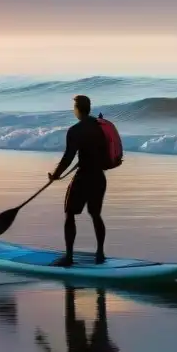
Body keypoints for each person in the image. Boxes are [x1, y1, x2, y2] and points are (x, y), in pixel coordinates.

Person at [48, 94, 110, 266]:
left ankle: (68, 257)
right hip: (99, 177)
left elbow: (68, 157)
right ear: (89, 108)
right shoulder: (101, 127)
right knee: (96, 214)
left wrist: (55, 174)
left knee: (70, 214)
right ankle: (100, 254)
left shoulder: (75, 130)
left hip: (83, 178)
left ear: (77, 109)